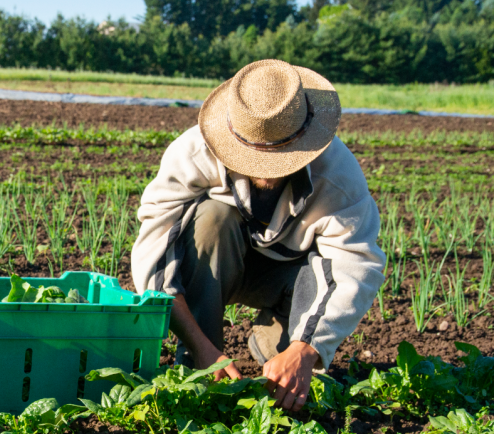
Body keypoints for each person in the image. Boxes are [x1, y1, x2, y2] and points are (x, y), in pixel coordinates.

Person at [131, 59, 385, 412]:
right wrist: (204, 350)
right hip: (218, 264)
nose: (266, 171)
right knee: (211, 219)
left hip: (287, 279)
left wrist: (305, 350)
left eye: (281, 157)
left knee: (289, 373)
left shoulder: (337, 176)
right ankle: (198, 366)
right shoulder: (192, 153)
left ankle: (275, 341)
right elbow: (154, 258)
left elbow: (355, 265)